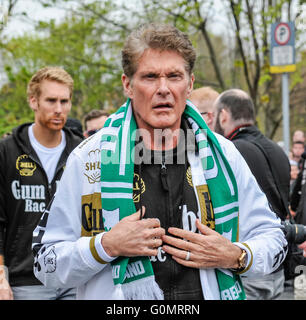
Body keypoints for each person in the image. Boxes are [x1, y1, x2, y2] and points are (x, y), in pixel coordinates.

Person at [32, 23, 287, 300]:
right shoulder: (87, 158)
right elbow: (45, 264)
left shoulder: (224, 155)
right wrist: (105, 246)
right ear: (128, 85)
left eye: (174, 76)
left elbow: (274, 240)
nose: (163, 89)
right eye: (150, 77)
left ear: (189, 84)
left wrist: (235, 255)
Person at [0, 66, 83, 300]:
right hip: (26, 281)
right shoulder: (7, 151)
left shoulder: (82, 151)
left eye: (64, 101)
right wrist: (1, 279)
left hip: (73, 276)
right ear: (33, 101)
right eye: (51, 101)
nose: (59, 110)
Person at [212, 88, 291, 299]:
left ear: (223, 115)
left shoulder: (230, 152)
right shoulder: (277, 149)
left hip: (249, 267)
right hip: (276, 264)